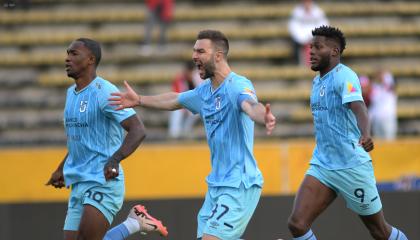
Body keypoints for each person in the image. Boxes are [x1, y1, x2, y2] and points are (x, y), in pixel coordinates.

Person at [109, 30, 276, 240]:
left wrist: (264, 116)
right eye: (194, 51)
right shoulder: (204, 91)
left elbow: (250, 105)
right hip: (216, 185)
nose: (194, 56)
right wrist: (140, 100)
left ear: (218, 56)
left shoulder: (237, 85)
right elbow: (175, 100)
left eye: (200, 51)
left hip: (239, 183)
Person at [287, 26, 408, 240]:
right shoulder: (317, 82)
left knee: (379, 231)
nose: (311, 51)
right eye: (310, 46)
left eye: (317, 47)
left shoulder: (345, 76)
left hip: (351, 164)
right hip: (323, 164)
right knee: (297, 224)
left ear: (334, 51)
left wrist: (366, 133)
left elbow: (359, 106)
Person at [46, 38, 168, 240]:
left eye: (74, 54)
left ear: (90, 60)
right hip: (79, 182)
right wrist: (61, 167)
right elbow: (81, 139)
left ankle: (132, 225)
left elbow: (138, 130)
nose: (67, 58)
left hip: (103, 181)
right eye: (67, 53)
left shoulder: (105, 92)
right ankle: (133, 223)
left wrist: (115, 159)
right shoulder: (71, 93)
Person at [288, 0, 328, 66]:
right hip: (301, 41)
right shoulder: (296, 12)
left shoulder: (318, 12)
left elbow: (323, 25)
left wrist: (314, 38)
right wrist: (303, 39)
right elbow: (293, 27)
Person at [168, 61, 202, 138]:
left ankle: (186, 131)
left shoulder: (198, 78)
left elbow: (201, 95)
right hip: (180, 103)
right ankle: (174, 134)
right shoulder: (179, 78)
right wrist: (185, 107)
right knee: (177, 111)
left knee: (197, 112)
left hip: (193, 104)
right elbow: (177, 95)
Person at [369, 68, 398, 140]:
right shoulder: (376, 88)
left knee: (389, 142)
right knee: (379, 143)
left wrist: (383, 75)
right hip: (377, 119)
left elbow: (390, 82)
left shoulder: (389, 87)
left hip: (388, 118)